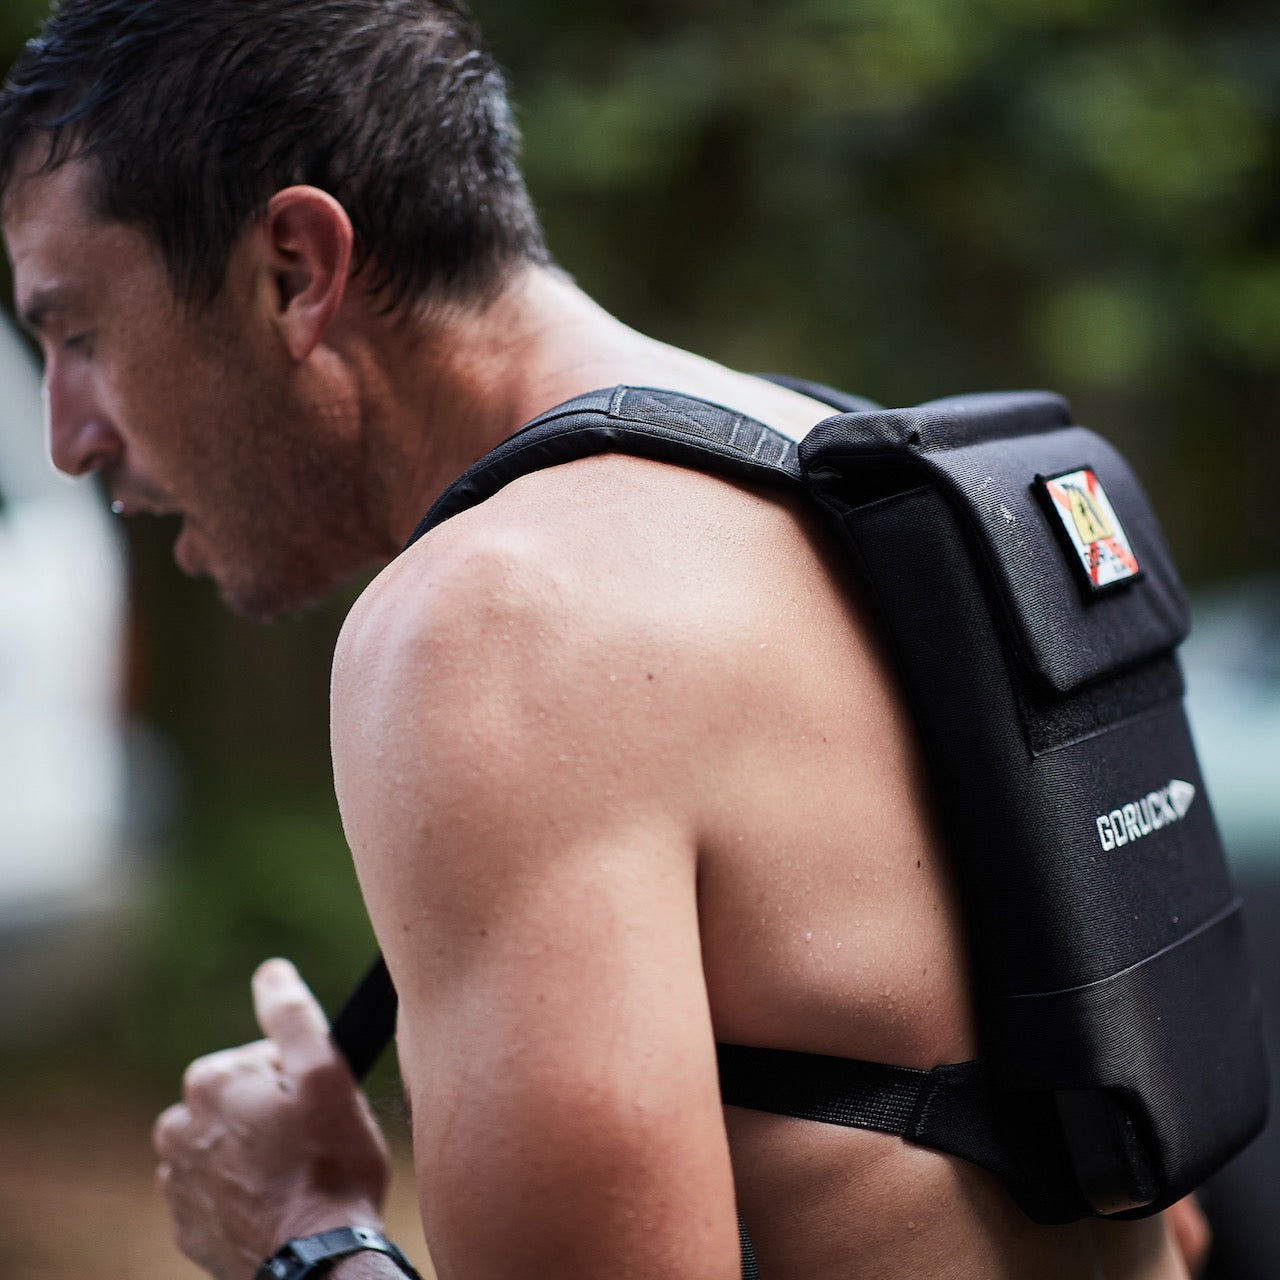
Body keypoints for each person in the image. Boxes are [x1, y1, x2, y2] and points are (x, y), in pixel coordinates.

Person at [0, 2, 1210, 1276]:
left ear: (295, 269)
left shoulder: (496, 614)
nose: (68, 437)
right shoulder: (867, 475)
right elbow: (1162, 1204)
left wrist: (295, 1225)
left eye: (80, 334)